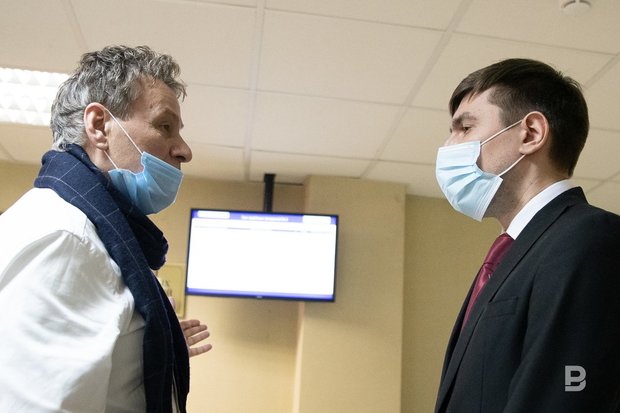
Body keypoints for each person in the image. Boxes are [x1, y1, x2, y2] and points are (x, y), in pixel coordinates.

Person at [0, 45, 211, 412]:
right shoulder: (65, 239)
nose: (184, 150)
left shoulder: (88, 235)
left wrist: (144, 343)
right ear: (99, 126)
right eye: (165, 126)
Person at [434, 58, 620, 412]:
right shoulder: (512, 255)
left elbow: (568, 393)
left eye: (465, 128)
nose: (448, 146)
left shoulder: (588, 238)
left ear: (531, 133)